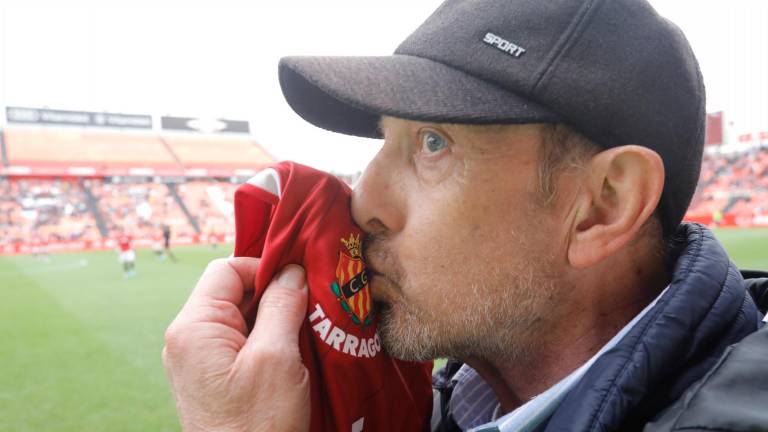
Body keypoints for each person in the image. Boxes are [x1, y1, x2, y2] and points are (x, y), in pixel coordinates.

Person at [163, 1, 768, 431]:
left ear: (601, 206)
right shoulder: (459, 397)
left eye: (432, 143)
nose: (362, 202)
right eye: (384, 138)